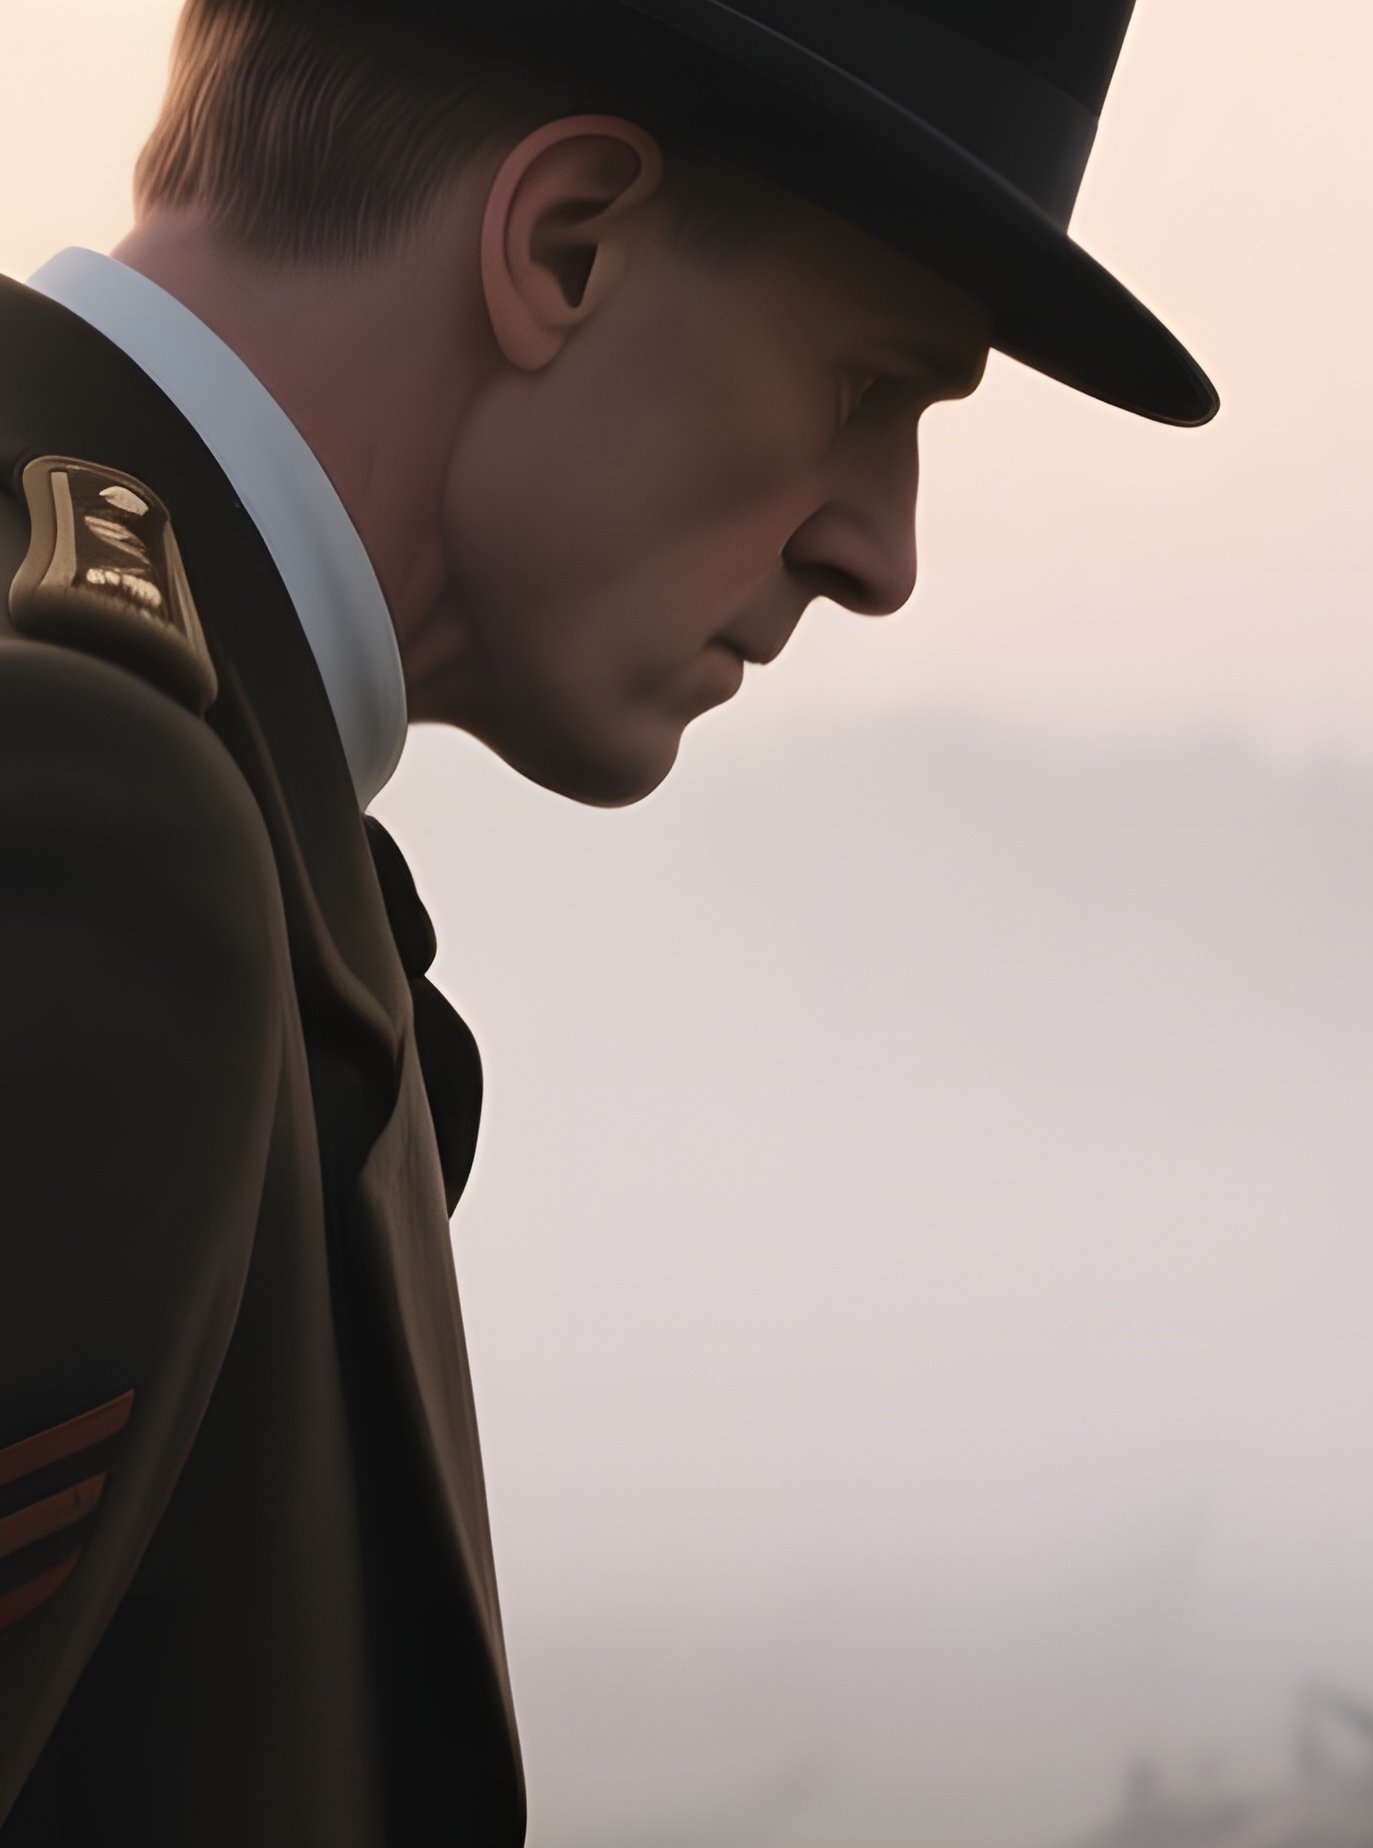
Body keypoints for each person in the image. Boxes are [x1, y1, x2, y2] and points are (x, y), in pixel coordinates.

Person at [0, 0, 1216, 1840]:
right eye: (870, 383)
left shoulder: (203, 795)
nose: (878, 551)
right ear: (562, 243)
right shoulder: (89, 812)